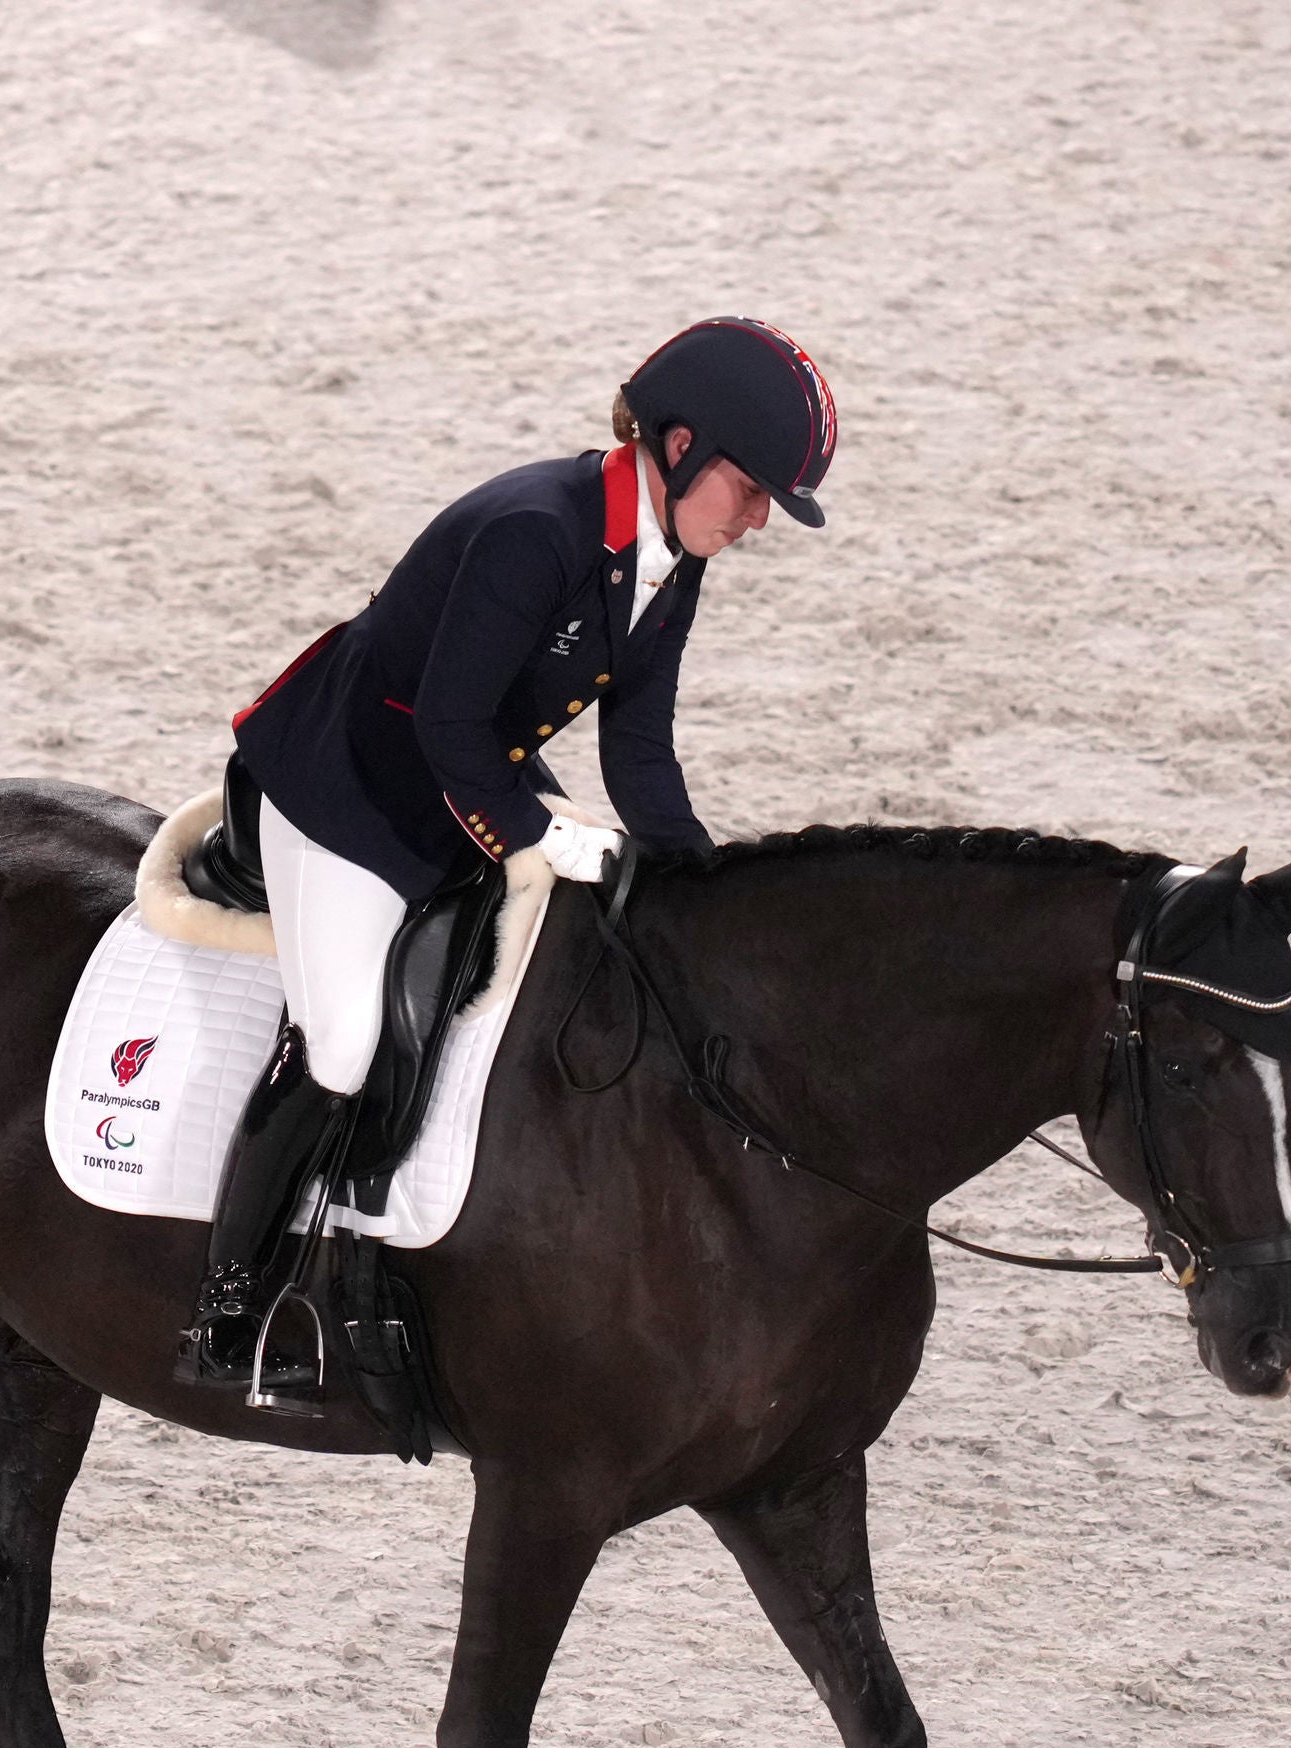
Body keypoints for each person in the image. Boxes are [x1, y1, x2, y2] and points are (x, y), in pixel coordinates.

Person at [175, 317, 841, 1393]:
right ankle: (225, 1305)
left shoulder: (669, 554)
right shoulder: (535, 530)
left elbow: (636, 742)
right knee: (343, 1039)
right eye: (754, 488)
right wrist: (540, 837)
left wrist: (702, 885)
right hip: (346, 784)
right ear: (679, 448)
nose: (760, 518)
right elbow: (444, 728)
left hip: (467, 767)